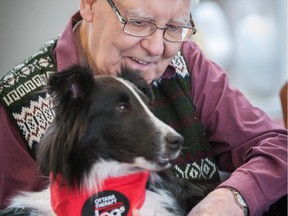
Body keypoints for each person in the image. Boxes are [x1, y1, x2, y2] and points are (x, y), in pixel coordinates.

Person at [0, 0, 286, 215]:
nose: (156, 47)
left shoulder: (187, 64)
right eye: (138, 23)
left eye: (174, 27)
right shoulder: (13, 102)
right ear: (89, 4)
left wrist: (234, 197)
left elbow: (277, 146)